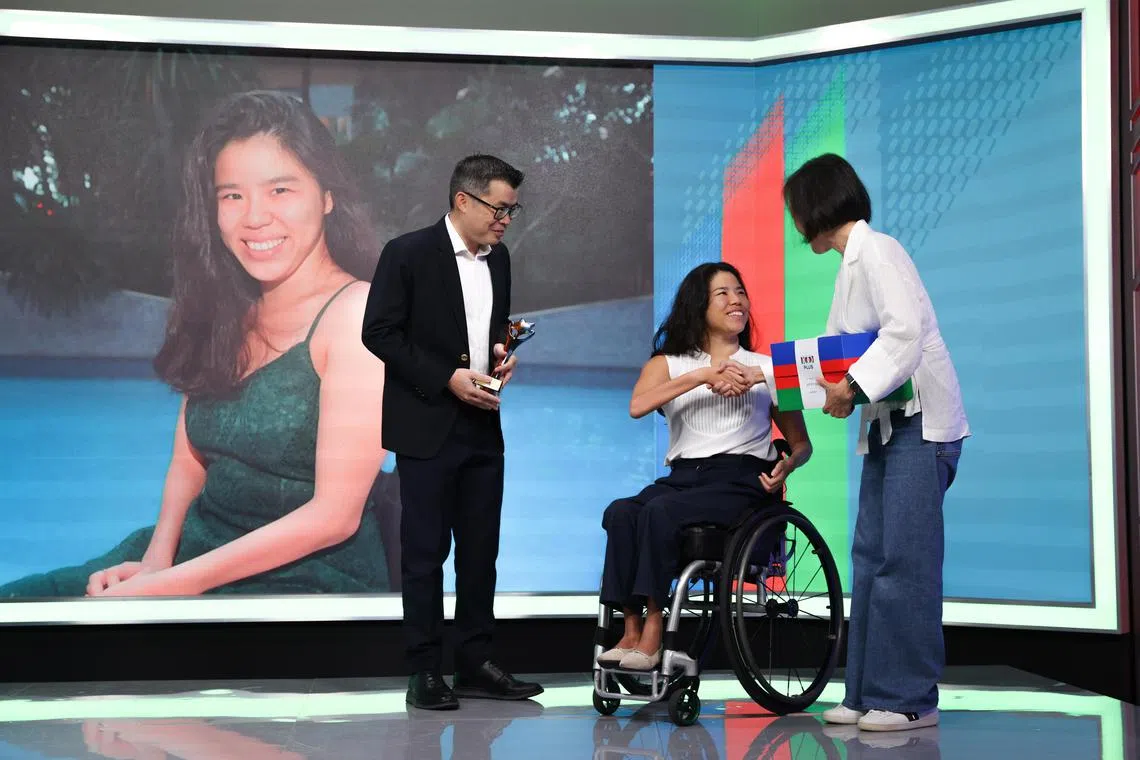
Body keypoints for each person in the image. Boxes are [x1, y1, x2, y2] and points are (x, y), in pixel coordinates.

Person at [0, 90, 391, 598]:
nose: (254, 218)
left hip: (304, 582)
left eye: (280, 190)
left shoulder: (359, 317)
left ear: (327, 196)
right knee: (24, 606)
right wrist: (156, 559)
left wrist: (166, 591)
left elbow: (332, 517)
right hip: (198, 550)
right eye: (232, 196)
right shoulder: (232, 305)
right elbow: (189, 455)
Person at [782, 153, 969, 733]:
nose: (793, 221)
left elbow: (904, 334)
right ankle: (866, 691)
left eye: (794, 208)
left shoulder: (880, 249)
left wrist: (853, 386)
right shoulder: (849, 266)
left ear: (813, 206)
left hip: (922, 426)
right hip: (890, 428)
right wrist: (771, 375)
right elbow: (834, 354)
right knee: (870, 559)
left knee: (904, 562)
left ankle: (910, 697)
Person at [361, 154, 542, 710]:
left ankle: (474, 662)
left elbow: (489, 332)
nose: (506, 218)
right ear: (463, 200)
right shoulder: (408, 253)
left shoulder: (501, 259)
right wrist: (446, 379)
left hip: (483, 423)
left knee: (480, 553)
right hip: (427, 425)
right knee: (424, 554)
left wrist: (501, 359)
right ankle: (424, 669)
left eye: (512, 209)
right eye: (499, 207)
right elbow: (379, 333)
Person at [595, 262, 813, 670]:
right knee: (621, 512)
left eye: (740, 291)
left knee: (660, 512)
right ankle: (629, 629)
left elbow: (801, 446)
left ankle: (655, 630)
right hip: (684, 477)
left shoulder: (767, 367)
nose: (737, 300)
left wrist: (789, 465)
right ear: (699, 306)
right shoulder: (669, 364)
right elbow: (638, 406)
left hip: (740, 479)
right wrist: (702, 376)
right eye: (723, 293)